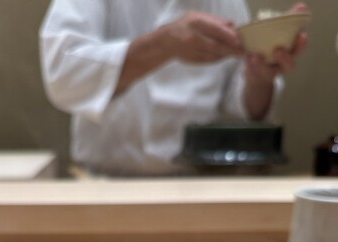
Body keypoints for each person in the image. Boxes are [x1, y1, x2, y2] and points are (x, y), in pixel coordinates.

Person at [39, 1, 308, 177]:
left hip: (196, 185)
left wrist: (259, 77)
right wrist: (163, 43)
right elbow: (63, 72)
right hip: (105, 185)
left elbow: (243, 105)